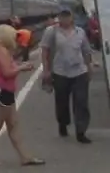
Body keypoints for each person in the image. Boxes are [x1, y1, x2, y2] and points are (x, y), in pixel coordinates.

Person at [0, 23, 45, 168]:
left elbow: (7, 68)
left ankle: (24, 157)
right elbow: (7, 73)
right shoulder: (1, 50)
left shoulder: (1, 50)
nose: (14, 38)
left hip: (6, 92)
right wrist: (22, 67)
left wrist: (17, 65)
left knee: (13, 125)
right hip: (1, 91)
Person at [40, 8, 93, 144]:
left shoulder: (80, 32)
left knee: (81, 102)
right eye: (62, 16)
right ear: (59, 18)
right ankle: (63, 123)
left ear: (71, 18)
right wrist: (46, 70)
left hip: (79, 71)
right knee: (62, 102)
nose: (65, 19)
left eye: (67, 16)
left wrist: (89, 67)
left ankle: (81, 131)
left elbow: (86, 51)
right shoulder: (51, 32)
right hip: (60, 72)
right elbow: (45, 51)